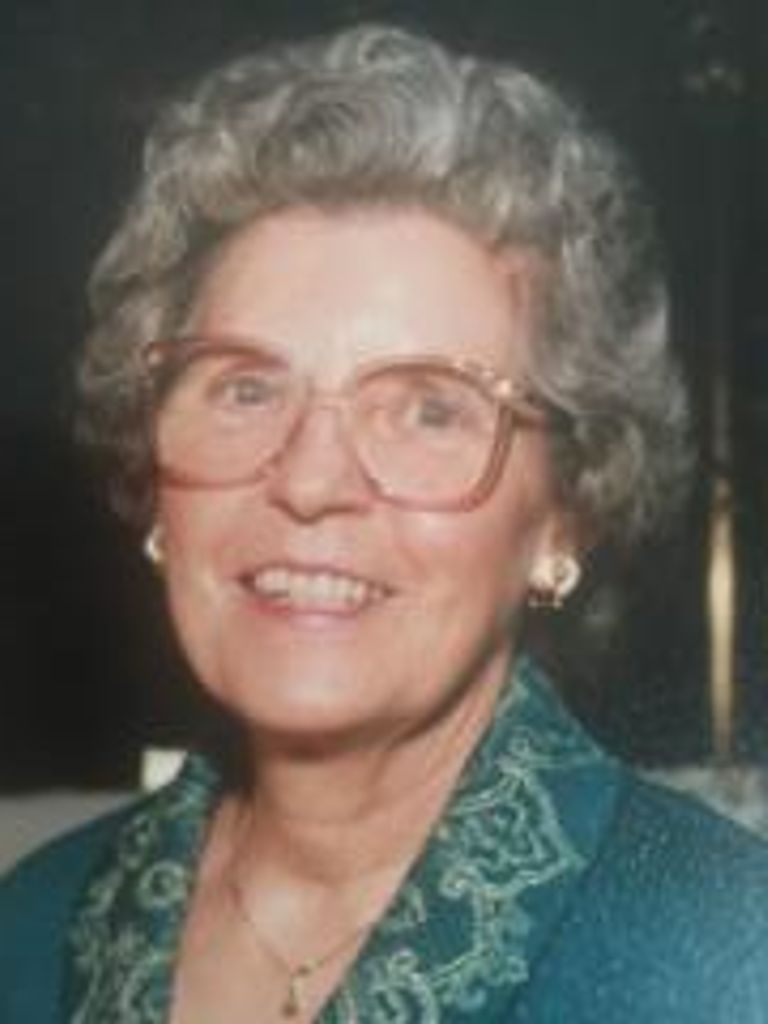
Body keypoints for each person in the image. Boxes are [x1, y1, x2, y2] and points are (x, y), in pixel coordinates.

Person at [2, 22, 767, 1024]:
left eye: (429, 409)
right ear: (155, 480)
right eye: (245, 388)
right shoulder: (29, 927)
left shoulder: (727, 948)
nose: (311, 480)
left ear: (565, 517)